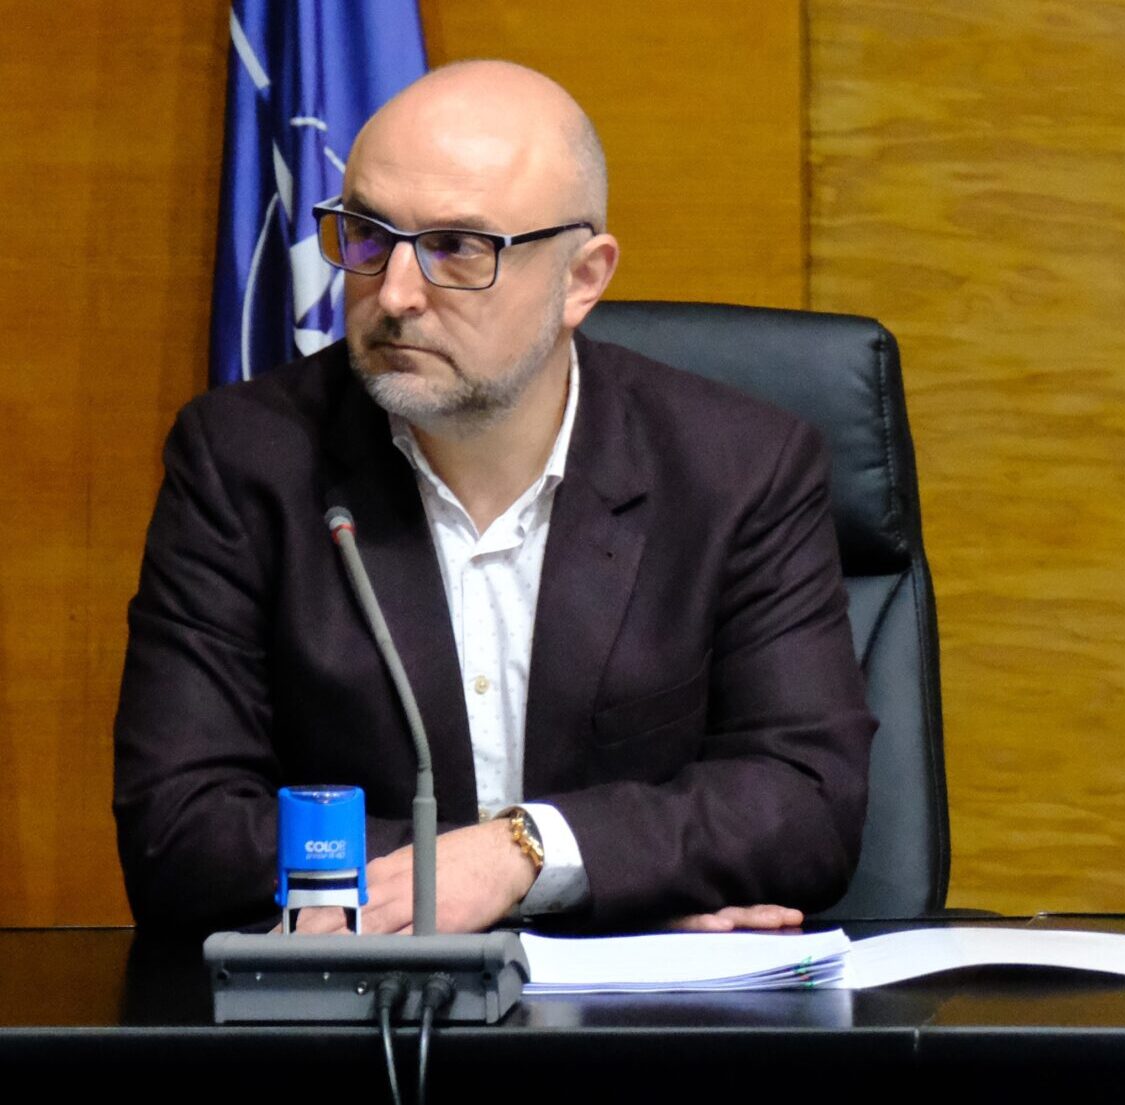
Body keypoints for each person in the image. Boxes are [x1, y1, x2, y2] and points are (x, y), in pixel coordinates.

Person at [113, 61, 874, 936]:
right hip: (363, 1010)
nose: (394, 293)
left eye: (456, 248)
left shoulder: (739, 468)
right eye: (366, 235)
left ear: (582, 279)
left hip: (640, 1017)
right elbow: (179, 828)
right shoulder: (246, 460)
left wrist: (523, 856)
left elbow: (806, 800)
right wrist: (550, 883)